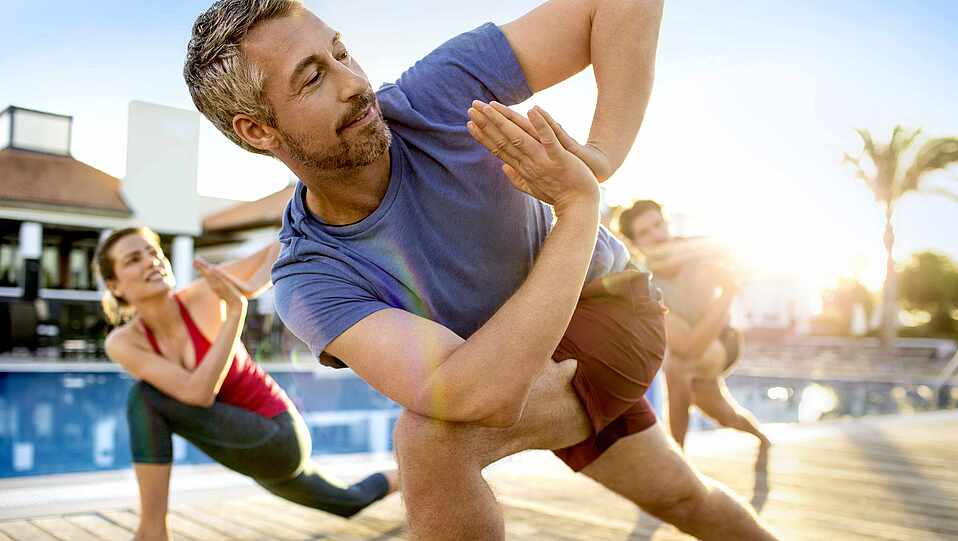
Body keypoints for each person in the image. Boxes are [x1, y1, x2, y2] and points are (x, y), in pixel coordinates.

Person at [183, 1, 779, 540]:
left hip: (607, 310)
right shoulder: (309, 277)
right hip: (517, 362)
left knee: (430, 445)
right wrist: (576, 211)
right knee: (686, 499)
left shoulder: (434, 96)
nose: (354, 84)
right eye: (313, 77)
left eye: (341, 52)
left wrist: (599, 161)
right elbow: (477, 394)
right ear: (258, 130)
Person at [94, 228, 397, 541]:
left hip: (278, 436)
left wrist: (240, 302)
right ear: (114, 285)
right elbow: (195, 393)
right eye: (134, 259)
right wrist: (235, 309)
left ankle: (151, 532)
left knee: (144, 397)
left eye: (153, 251)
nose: (151, 261)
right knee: (349, 501)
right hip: (248, 445)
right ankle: (405, 478)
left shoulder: (205, 293)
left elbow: (279, 248)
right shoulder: (125, 342)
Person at [619, 200, 772, 451]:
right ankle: (761, 437)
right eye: (644, 232)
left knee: (676, 365)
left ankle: (677, 460)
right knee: (723, 414)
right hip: (689, 345)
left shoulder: (699, 253)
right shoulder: (643, 284)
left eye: (658, 225)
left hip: (723, 340)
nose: (656, 235)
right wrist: (726, 295)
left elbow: (736, 272)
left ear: (666, 223)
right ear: (635, 243)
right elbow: (686, 344)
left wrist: (727, 293)